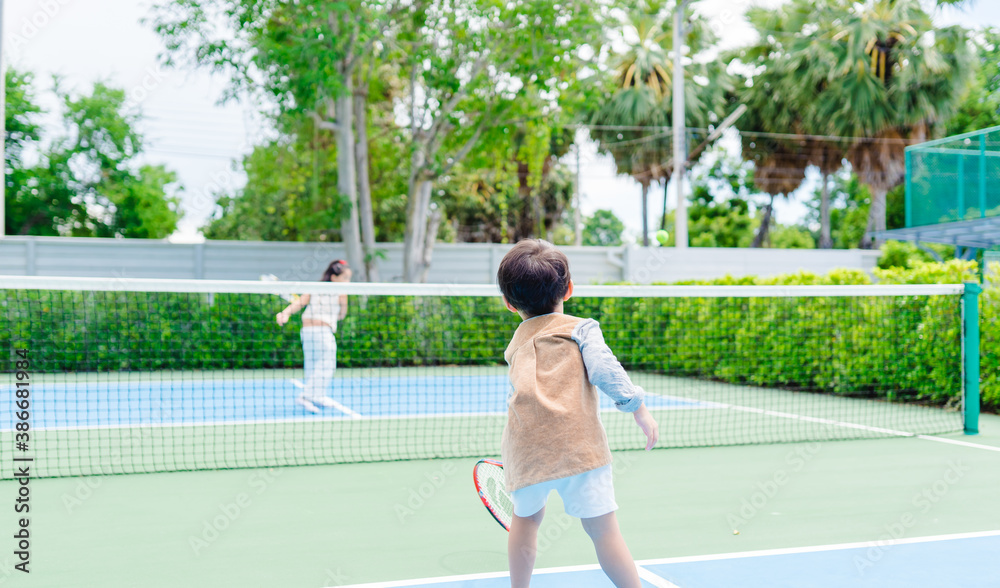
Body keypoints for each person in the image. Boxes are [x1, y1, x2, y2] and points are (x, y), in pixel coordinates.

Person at [496, 239, 659, 588]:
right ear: (568, 289)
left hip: (525, 452)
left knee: (525, 524)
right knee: (604, 532)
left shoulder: (514, 344)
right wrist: (637, 407)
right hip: (580, 449)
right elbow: (605, 369)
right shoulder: (581, 328)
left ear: (509, 304)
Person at [276, 260, 352, 413]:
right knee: (327, 363)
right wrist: (343, 303)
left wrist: (285, 313)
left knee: (312, 364)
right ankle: (306, 396)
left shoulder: (316, 288)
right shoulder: (340, 292)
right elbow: (342, 315)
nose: (347, 282)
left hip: (307, 331)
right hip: (322, 332)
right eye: (345, 278)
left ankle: (318, 396)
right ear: (334, 278)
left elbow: (299, 303)